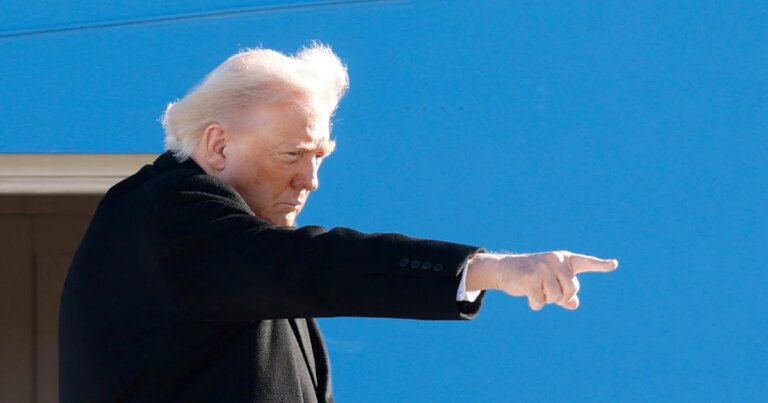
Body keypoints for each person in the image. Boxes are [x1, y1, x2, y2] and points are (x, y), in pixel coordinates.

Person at [59, 43, 618, 402]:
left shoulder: (238, 254)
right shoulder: (167, 214)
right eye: (293, 155)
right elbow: (317, 264)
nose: (311, 180)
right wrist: (489, 269)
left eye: (320, 156)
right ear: (218, 145)